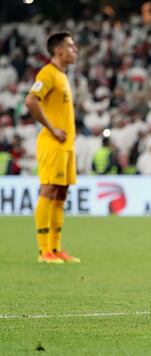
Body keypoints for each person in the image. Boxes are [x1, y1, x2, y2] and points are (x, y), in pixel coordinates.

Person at [25, 32, 80, 264]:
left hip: (65, 146)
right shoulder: (47, 73)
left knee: (60, 194)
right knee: (48, 192)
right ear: (59, 50)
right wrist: (52, 128)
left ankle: (56, 249)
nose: (75, 50)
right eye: (71, 46)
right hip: (52, 143)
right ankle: (43, 251)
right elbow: (30, 100)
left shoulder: (62, 76)